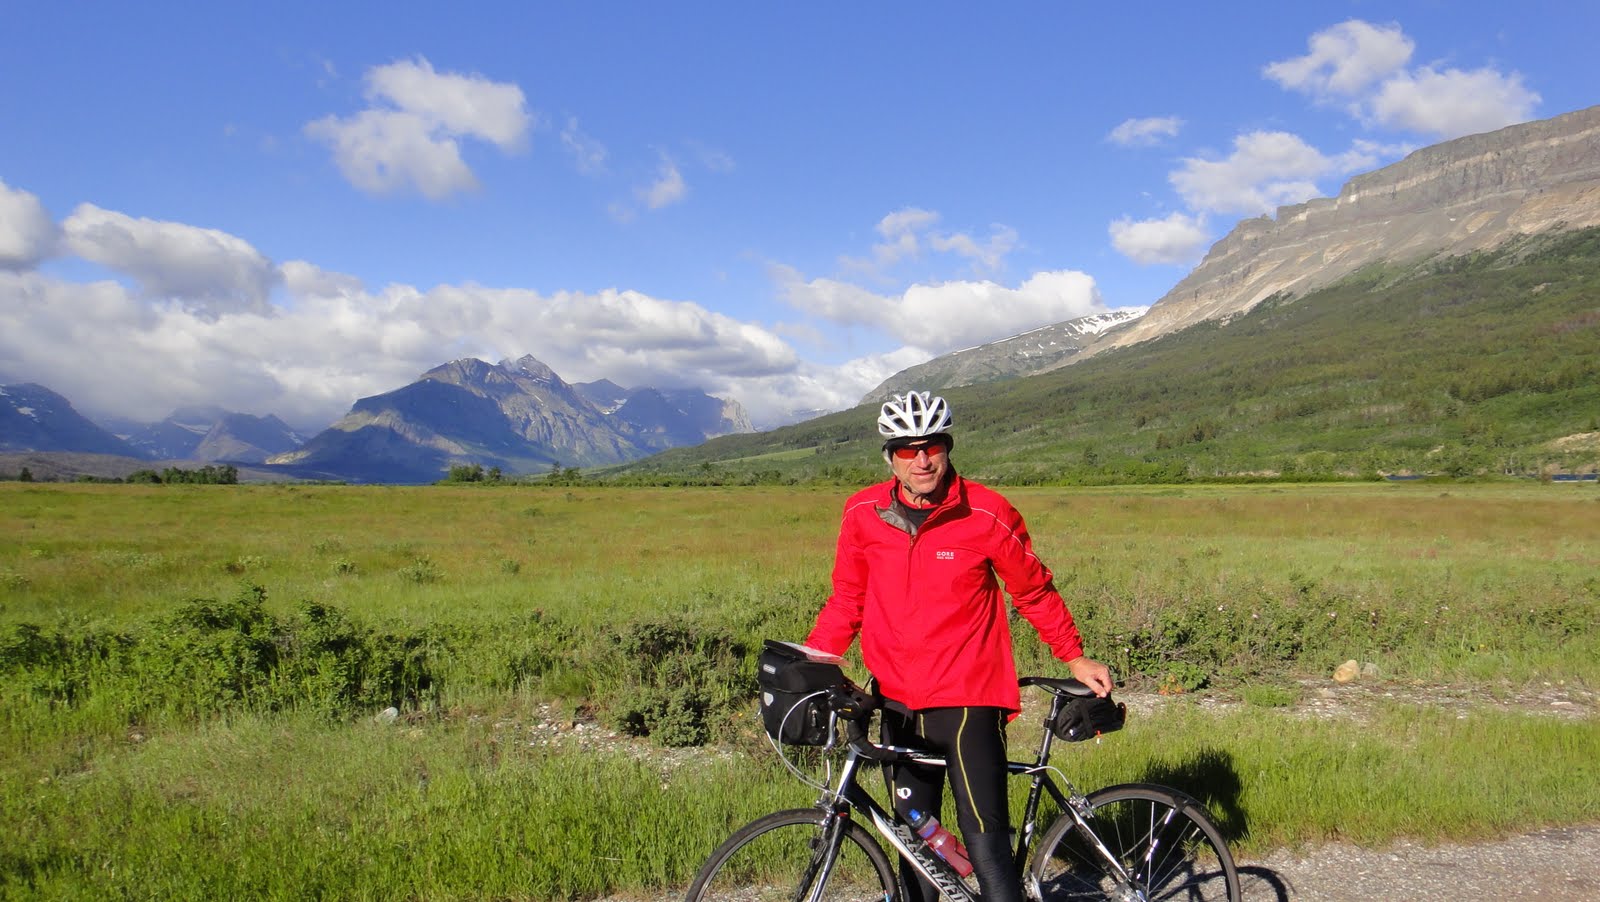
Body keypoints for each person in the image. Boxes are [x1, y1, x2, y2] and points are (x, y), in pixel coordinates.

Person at [805, 389, 1113, 902]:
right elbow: (847, 599)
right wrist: (813, 663)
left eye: (933, 445)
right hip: (897, 701)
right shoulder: (862, 513)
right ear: (890, 458)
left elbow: (1032, 588)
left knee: (989, 860)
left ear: (948, 448)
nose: (922, 459)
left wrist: (1073, 655)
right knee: (917, 854)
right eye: (907, 449)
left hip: (970, 698)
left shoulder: (987, 513)